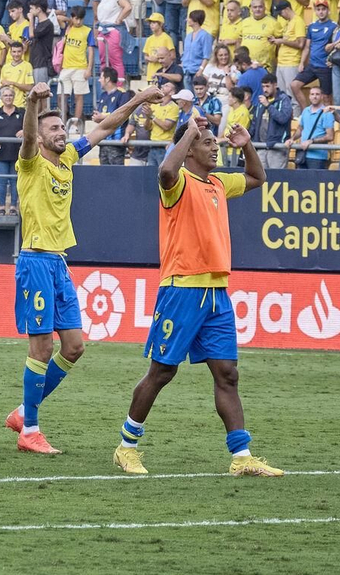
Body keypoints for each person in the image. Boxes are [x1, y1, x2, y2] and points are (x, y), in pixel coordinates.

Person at [113, 114, 282, 477]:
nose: (214, 146)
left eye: (214, 142)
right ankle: (126, 447)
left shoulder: (218, 182)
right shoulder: (177, 182)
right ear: (189, 149)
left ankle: (241, 456)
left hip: (217, 292)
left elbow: (257, 178)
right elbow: (163, 172)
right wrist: (190, 130)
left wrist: (247, 144)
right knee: (162, 372)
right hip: (182, 289)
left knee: (227, 374)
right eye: (207, 143)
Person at [7, 81, 161, 455]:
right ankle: (30, 430)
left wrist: (138, 99)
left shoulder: (71, 157)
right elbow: (28, 137)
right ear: (41, 138)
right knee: (42, 349)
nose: (62, 133)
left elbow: (105, 127)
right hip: (35, 261)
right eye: (54, 129)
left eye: (63, 127)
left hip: (59, 262)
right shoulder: (31, 163)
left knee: (74, 347)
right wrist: (31, 104)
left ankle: (23, 412)